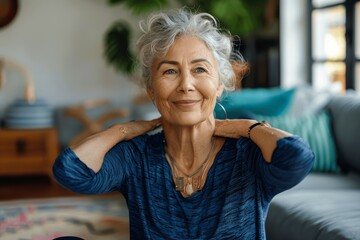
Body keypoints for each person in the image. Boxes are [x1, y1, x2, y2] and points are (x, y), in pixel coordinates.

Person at [53, 9, 314, 239]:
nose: (186, 85)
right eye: (169, 71)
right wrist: (125, 130)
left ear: (220, 85)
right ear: (151, 89)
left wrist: (247, 127)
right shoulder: (137, 157)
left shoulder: (246, 154)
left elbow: (296, 157)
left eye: (200, 70)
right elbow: (72, 171)